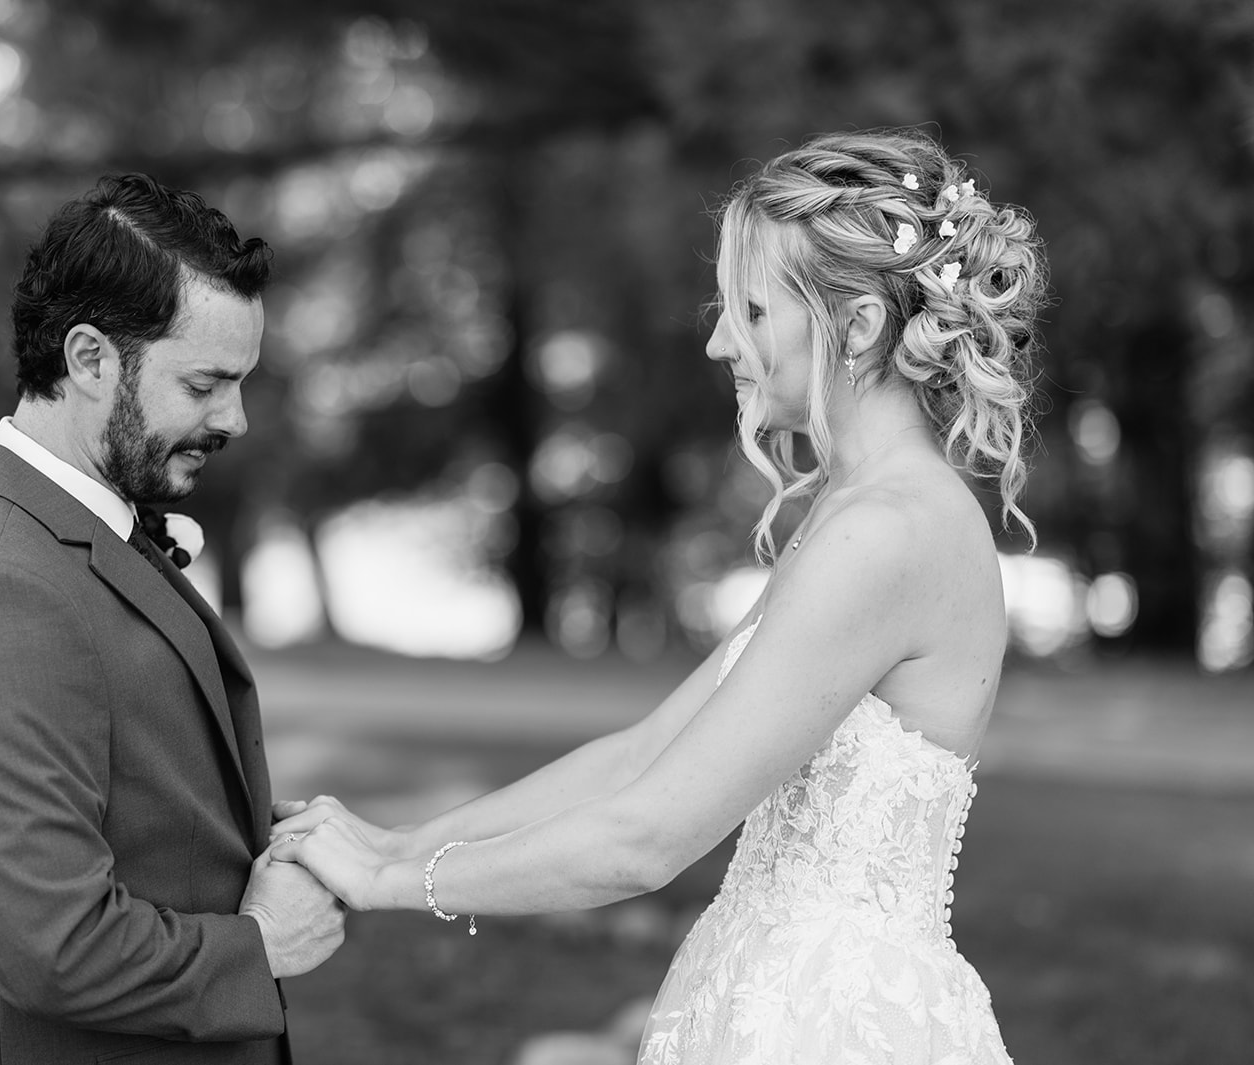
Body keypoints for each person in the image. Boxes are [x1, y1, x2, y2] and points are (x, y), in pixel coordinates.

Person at [269, 129, 1047, 1064]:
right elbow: (643, 756)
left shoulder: (889, 533)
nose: (722, 339)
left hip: (831, 1024)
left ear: (860, 326)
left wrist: (393, 884)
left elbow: (646, 837)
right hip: (775, 996)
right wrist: (396, 843)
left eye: (752, 309)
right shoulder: (861, 512)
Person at [0, 173, 345, 1065]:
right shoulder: (0, 593)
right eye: (208, 383)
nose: (237, 418)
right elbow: (53, 947)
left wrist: (246, 824)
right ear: (91, 358)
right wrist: (262, 946)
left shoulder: (83, 523)